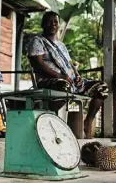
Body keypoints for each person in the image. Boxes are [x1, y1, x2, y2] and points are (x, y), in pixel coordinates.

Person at [27, 11, 109, 139]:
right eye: (50, 21)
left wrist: (77, 75)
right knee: (64, 86)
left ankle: (88, 122)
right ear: (43, 24)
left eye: (56, 22)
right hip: (49, 81)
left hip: (69, 81)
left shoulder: (61, 45)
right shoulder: (38, 41)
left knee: (102, 87)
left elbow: (70, 64)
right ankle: (50, 122)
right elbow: (39, 64)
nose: (53, 24)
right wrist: (60, 76)